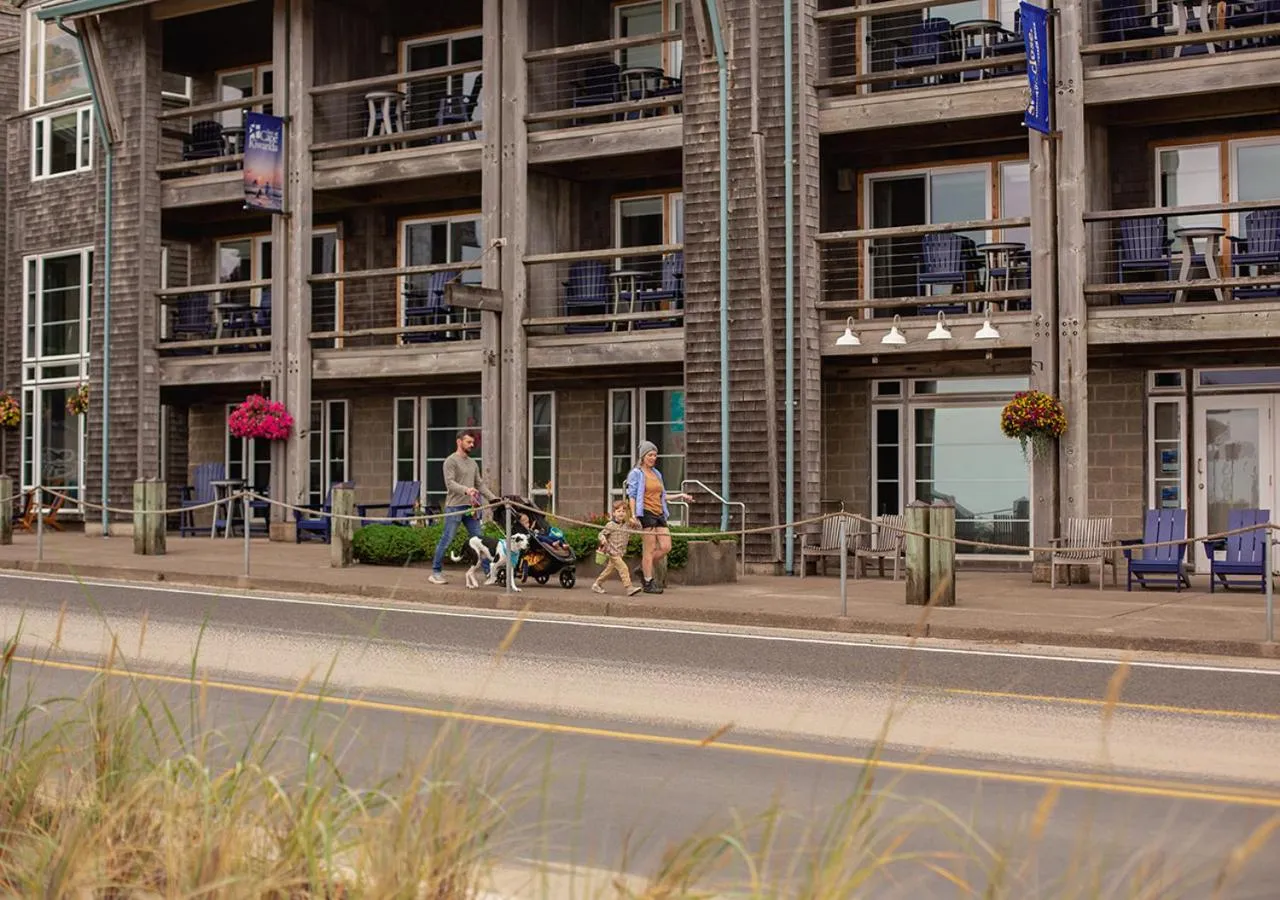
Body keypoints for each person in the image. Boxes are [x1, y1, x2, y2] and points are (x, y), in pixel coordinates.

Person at [429, 430, 498, 585]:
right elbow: (450, 483)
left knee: (481, 540)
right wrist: (466, 490)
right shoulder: (450, 461)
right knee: (447, 539)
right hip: (455, 507)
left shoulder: (473, 463)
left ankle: (489, 573)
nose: (472, 445)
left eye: (473, 443)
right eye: (468, 442)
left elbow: (479, 484)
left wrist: (493, 499)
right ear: (459, 442)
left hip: (471, 508)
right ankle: (436, 572)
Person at [624, 440, 693, 594]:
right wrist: (634, 515)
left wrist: (681, 495)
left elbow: (663, 496)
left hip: (659, 512)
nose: (653, 458)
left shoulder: (657, 474)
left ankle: (643, 568)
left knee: (666, 546)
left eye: (655, 455)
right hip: (646, 513)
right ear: (643, 456)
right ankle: (648, 582)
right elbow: (632, 496)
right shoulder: (636, 473)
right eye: (650, 455)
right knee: (649, 549)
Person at [593, 500, 643, 596]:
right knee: (623, 568)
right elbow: (601, 534)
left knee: (609, 570)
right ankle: (629, 588)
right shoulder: (610, 525)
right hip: (612, 552)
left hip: (621, 552)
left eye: (623, 511)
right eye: (618, 511)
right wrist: (603, 539)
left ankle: (597, 584)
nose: (621, 513)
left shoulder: (627, 525)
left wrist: (635, 522)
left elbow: (639, 529)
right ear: (614, 513)